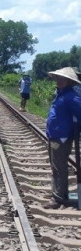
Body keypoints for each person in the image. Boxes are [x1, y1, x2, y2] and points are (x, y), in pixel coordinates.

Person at [45, 67, 81, 209]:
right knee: (56, 167)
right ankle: (60, 193)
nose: (59, 81)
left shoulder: (71, 97)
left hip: (62, 137)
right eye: (58, 78)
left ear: (69, 81)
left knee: (59, 167)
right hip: (55, 136)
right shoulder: (61, 94)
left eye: (63, 79)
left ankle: (59, 198)